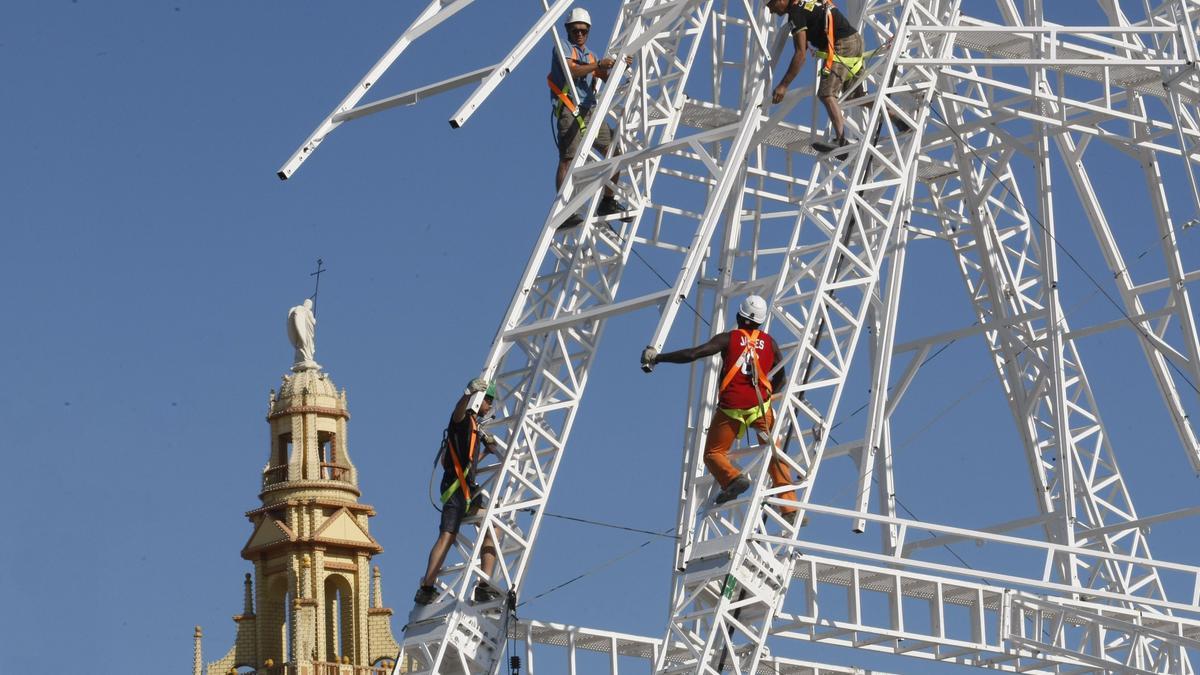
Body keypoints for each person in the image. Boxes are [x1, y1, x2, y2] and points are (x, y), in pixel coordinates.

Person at [640, 296, 801, 519]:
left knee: (713, 453)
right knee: (774, 453)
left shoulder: (728, 339)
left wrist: (658, 358)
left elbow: (693, 354)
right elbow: (781, 377)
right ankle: (789, 508)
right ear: (761, 322)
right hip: (761, 409)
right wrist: (765, 396)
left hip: (731, 410)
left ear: (739, 316)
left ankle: (733, 479)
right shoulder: (770, 343)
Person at [414, 378, 504, 605]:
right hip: (456, 492)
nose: (489, 406)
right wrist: (467, 394)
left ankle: (483, 584)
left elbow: (467, 464)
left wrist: (485, 452)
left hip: (465, 492)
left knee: (492, 527)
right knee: (447, 535)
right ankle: (427, 586)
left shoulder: (474, 428)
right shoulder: (463, 421)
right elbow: (457, 413)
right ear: (479, 399)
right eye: (488, 401)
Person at [549, 7, 632, 226]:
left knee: (615, 152)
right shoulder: (563, 48)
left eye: (583, 31)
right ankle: (564, 211)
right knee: (569, 157)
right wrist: (598, 65)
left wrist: (620, 66)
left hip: (590, 110)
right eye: (576, 30)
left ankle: (607, 200)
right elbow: (573, 71)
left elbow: (604, 76)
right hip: (570, 108)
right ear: (568, 29)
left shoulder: (591, 55)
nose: (579, 34)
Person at [766, 0, 865, 152]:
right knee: (855, 97)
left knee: (826, 94)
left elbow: (800, 55)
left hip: (842, 44)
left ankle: (841, 142)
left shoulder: (795, 14)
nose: (772, 11)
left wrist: (783, 85)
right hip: (854, 40)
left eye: (771, 6)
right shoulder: (804, 4)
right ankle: (897, 118)